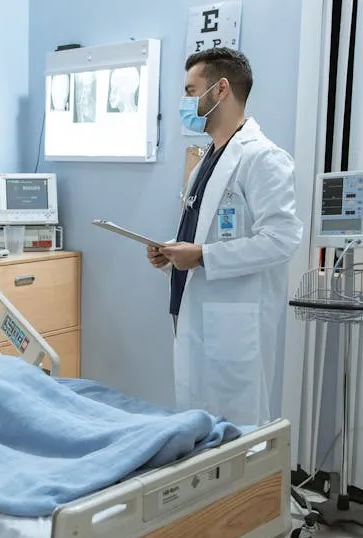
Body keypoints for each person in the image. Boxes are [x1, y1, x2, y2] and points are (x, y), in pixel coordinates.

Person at [146, 47, 303, 427]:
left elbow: (282, 239)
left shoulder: (262, 158)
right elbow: (206, 231)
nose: (184, 101)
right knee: (199, 426)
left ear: (220, 90)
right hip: (193, 310)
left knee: (237, 432)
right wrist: (172, 254)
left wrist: (201, 256)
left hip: (232, 324)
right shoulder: (207, 159)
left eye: (189, 89)